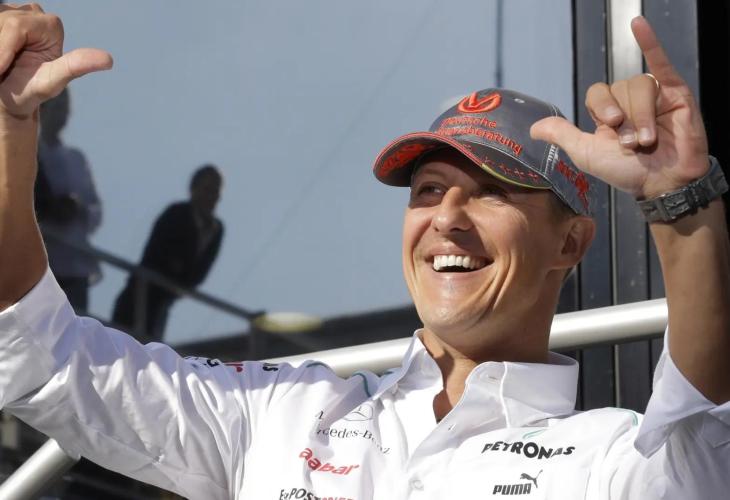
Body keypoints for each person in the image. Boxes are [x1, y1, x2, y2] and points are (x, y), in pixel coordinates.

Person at [0, 5, 727, 499]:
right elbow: (41, 357)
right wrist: (8, 128)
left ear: (571, 241)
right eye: (428, 191)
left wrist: (680, 205)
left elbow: (703, 432)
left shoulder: (609, 461)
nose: (447, 219)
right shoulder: (281, 413)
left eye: (491, 193)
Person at [111, 165, 224, 340]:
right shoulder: (177, 213)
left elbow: (203, 268)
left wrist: (184, 282)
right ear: (193, 189)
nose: (211, 196)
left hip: (166, 298)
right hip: (142, 293)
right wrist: (178, 274)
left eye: (215, 191)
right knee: (124, 340)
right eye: (207, 189)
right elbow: (158, 253)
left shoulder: (216, 229)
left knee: (151, 343)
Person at [33, 87, 102, 312]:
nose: (61, 113)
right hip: (41, 259)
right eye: (56, 107)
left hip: (75, 262)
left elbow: (95, 209)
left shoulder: (76, 158)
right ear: (41, 110)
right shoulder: (29, 153)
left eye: (65, 107)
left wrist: (77, 207)